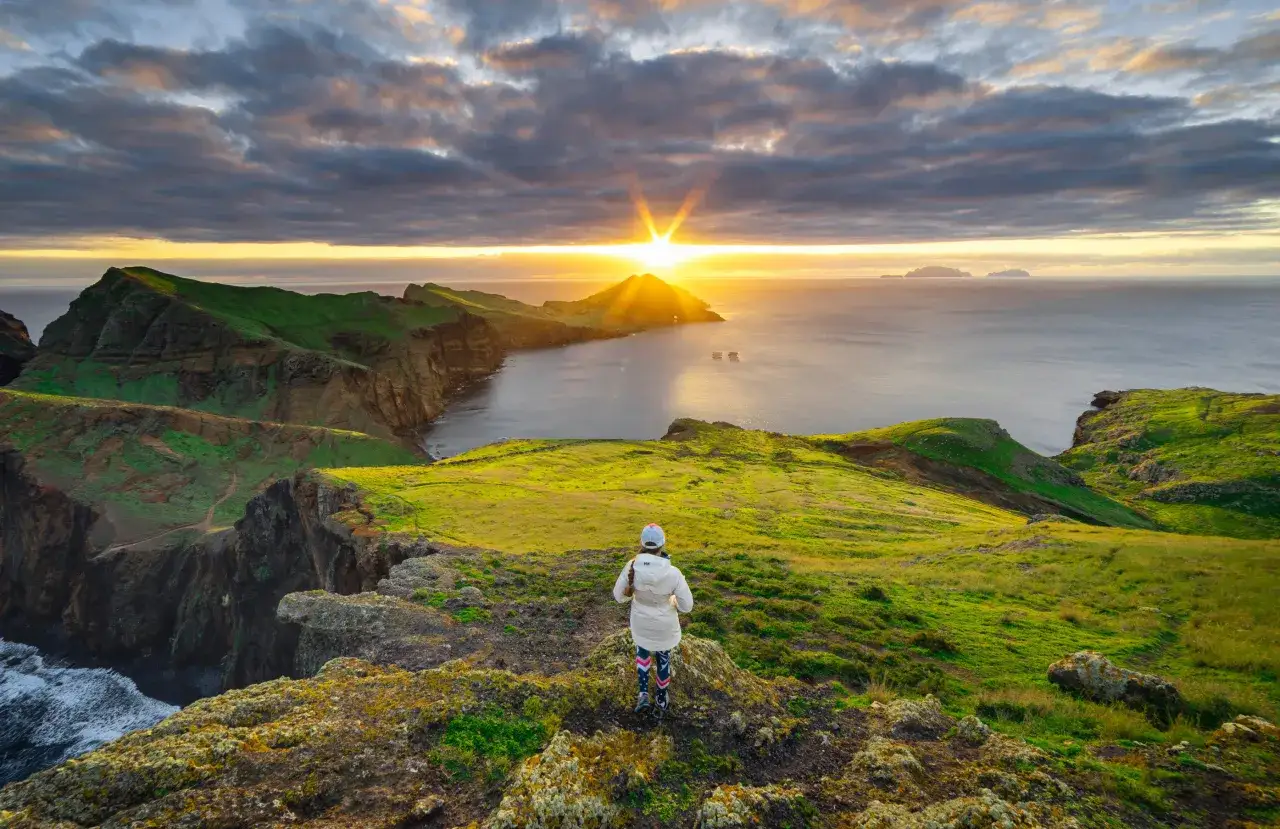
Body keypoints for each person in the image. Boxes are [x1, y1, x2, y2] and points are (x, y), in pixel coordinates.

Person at [613, 523, 694, 719]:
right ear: (662, 545)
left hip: (640, 623)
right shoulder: (673, 573)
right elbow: (687, 606)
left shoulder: (631, 566)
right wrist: (673, 601)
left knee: (642, 654)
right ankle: (661, 698)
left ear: (642, 543)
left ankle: (643, 695)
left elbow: (618, 596)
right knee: (663, 658)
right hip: (665, 627)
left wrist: (634, 597)